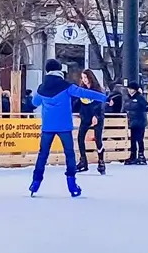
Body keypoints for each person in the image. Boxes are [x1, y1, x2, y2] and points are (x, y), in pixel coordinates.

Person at [28, 58, 105, 196]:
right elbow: (85, 93)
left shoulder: (41, 88)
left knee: (43, 155)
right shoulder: (66, 86)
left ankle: (35, 183)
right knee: (69, 154)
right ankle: (72, 184)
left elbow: (34, 103)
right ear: (59, 70)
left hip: (47, 127)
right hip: (64, 126)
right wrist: (105, 98)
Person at [75, 68, 106, 175]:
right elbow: (78, 103)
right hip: (85, 118)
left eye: (86, 77)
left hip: (97, 117)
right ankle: (83, 161)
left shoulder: (97, 90)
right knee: (80, 138)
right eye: (82, 77)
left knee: (98, 139)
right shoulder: (82, 90)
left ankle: (101, 161)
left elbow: (100, 105)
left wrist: (96, 116)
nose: (84, 80)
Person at [123, 80, 148, 165]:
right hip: (132, 122)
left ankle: (141, 155)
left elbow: (147, 105)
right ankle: (133, 156)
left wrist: (146, 108)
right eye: (129, 89)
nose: (130, 90)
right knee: (133, 140)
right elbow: (124, 108)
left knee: (139, 139)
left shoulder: (139, 97)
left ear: (135, 90)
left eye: (131, 89)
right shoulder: (127, 98)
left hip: (140, 121)